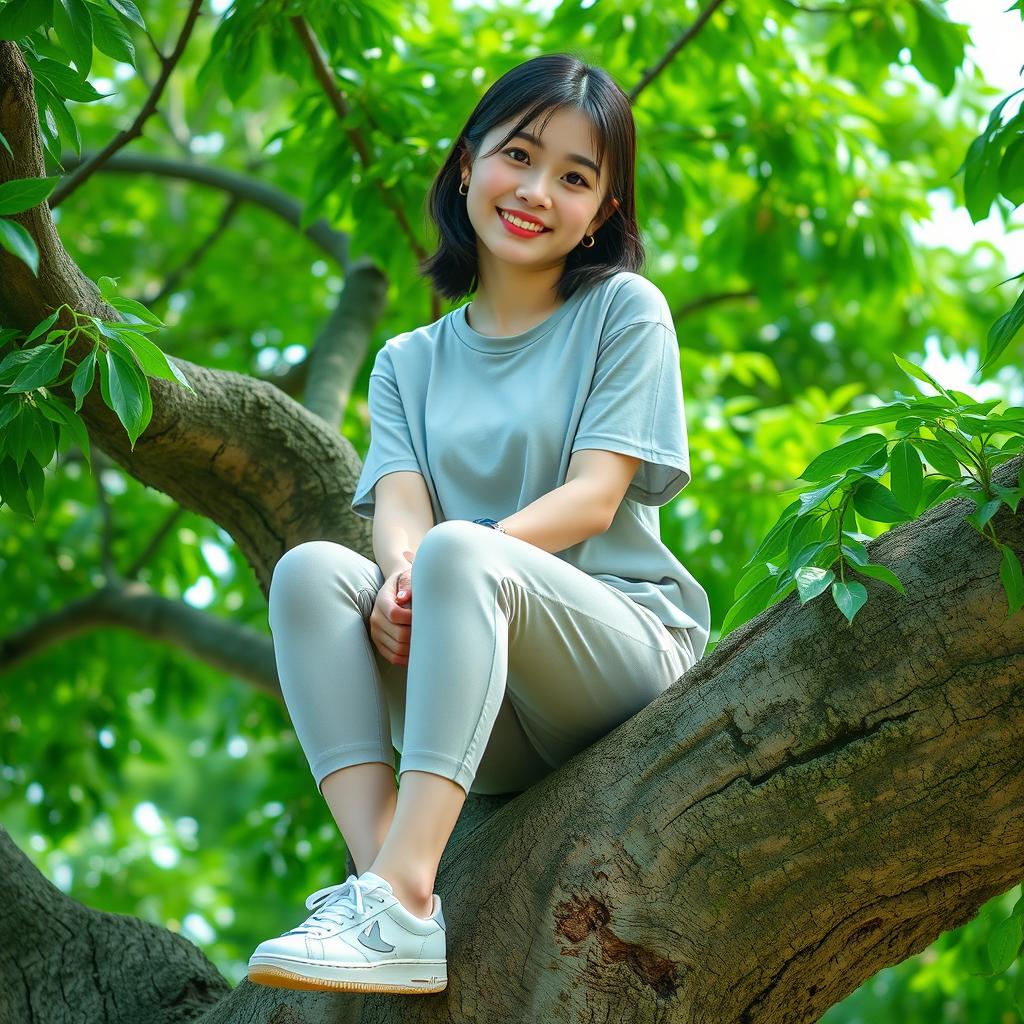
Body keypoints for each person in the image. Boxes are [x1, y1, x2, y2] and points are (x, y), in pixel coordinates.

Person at [246, 51, 711, 996]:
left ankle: (402, 893)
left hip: (618, 657)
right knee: (309, 573)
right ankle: (388, 891)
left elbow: (593, 498)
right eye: (519, 156)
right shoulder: (408, 361)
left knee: (464, 549)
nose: (537, 191)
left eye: (576, 178)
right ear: (468, 164)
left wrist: (447, 563)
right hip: (484, 700)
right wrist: (400, 587)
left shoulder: (624, 312)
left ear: (604, 212)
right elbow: (403, 517)